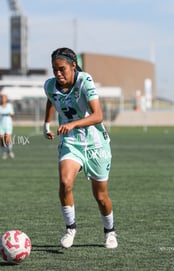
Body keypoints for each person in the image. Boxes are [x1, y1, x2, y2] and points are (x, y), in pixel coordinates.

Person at [43, 47, 118, 249]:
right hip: (71, 143)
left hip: (96, 144)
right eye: (54, 69)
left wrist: (73, 123)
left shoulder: (85, 80)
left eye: (62, 69)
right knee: (65, 183)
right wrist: (46, 125)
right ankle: (70, 228)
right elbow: (51, 99)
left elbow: (98, 115)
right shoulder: (50, 85)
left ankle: (110, 232)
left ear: (73, 66)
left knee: (101, 197)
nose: (58, 74)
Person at [0, 94, 15, 159]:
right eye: (2, 98)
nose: (3, 99)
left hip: (8, 125)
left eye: (4, 98)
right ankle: (4, 153)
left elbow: (13, 115)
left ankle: (10, 150)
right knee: (2, 139)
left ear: (6, 99)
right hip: (0, 125)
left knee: (7, 139)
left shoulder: (9, 106)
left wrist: (10, 114)